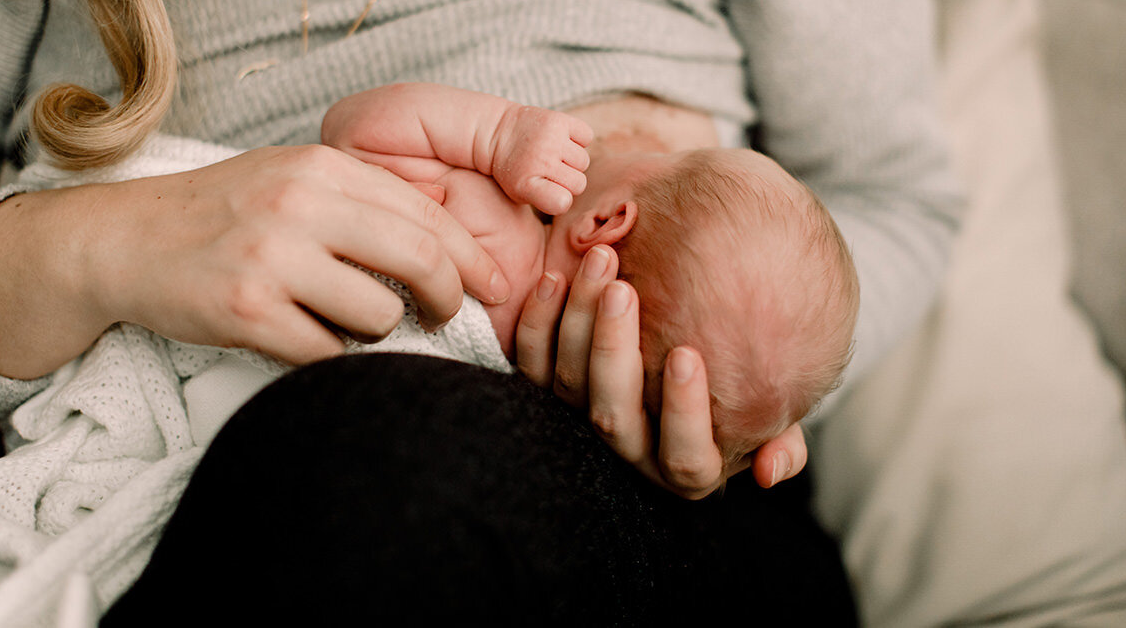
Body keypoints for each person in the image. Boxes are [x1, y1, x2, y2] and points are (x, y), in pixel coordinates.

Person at [0, 0, 960, 623]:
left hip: (632, 508)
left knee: (392, 482)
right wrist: (91, 251)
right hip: (174, 376)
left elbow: (900, 196)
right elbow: (368, 132)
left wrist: (718, 378)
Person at [322, 81, 858, 465]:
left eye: (680, 157)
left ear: (604, 222)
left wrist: (498, 133)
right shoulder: (549, 426)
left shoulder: (494, 233)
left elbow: (351, 133)